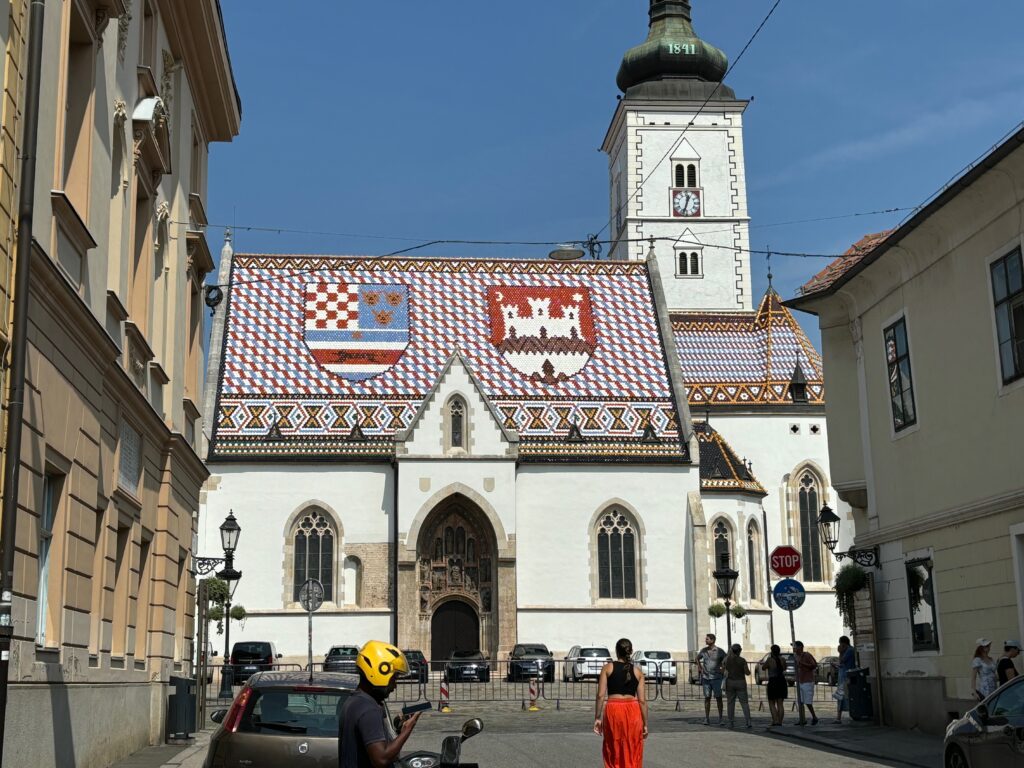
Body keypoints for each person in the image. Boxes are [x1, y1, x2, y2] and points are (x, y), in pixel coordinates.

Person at [339, 640, 420, 768]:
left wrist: (398, 731)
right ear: (379, 672)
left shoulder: (354, 701)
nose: (395, 686)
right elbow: (381, 759)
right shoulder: (368, 709)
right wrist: (407, 730)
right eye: (394, 679)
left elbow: (379, 748)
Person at [594, 638, 647, 768]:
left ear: (617, 651)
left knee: (613, 746)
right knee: (632, 746)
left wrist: (597, 717)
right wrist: (645, 723)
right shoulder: (638, 672)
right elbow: (642, 701)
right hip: (633, 710)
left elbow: (600, 695)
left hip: (613, 709)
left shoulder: (607, 668)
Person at [696, 633, 726, 726]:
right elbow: (697, 658)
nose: (706, 640)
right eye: (706, 639)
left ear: (712, 640)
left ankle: (721, 718)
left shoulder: (720, 651)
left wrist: (722, 669)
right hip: (706, 678)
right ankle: (707, 718)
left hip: (717, 678)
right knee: (707, 698)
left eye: (707, 639)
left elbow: (726, 660)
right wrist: (700, 668)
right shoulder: (703, 651)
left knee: (718, 698)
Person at [723, 643, 752, 729]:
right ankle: (748, 721)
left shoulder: (727, 660)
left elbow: (722, 669)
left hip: (730, 682)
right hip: (741, 682)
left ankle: (731, 722)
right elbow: (747, 672)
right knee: (744, 703)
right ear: (740, 651)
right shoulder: (742, 660)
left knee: (730, 703)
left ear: (732, 650)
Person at [792, 641, 818, 726]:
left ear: (800, 647)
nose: (794, 649)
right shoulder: (796, 656)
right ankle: (802, 719)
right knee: (801, 701)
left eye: (795, 647)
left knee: (808, 701)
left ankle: (814, 717)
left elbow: (814, 665)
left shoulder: (806, 655)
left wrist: (802, 663)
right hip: (800, 680)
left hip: (807, 680)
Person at [761, 644, 787, 727]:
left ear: (772, 651)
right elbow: (785, 668)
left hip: (773, 681)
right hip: (782, 681)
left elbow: (763, 668)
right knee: (780, 703)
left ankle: (775, 720)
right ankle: (780, 721)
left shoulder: (769, 660)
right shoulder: (782, 659)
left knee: (771, 702)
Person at [832, 636, 857, 724]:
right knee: (841, 696)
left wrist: (840, 652)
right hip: (843, 676)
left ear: (843, 643)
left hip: (846, 677)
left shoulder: (849, 650)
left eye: (840, 644)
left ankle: (841, 717)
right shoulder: (849, 650)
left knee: (843, 696)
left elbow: (842, 660)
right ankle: (839, 717)